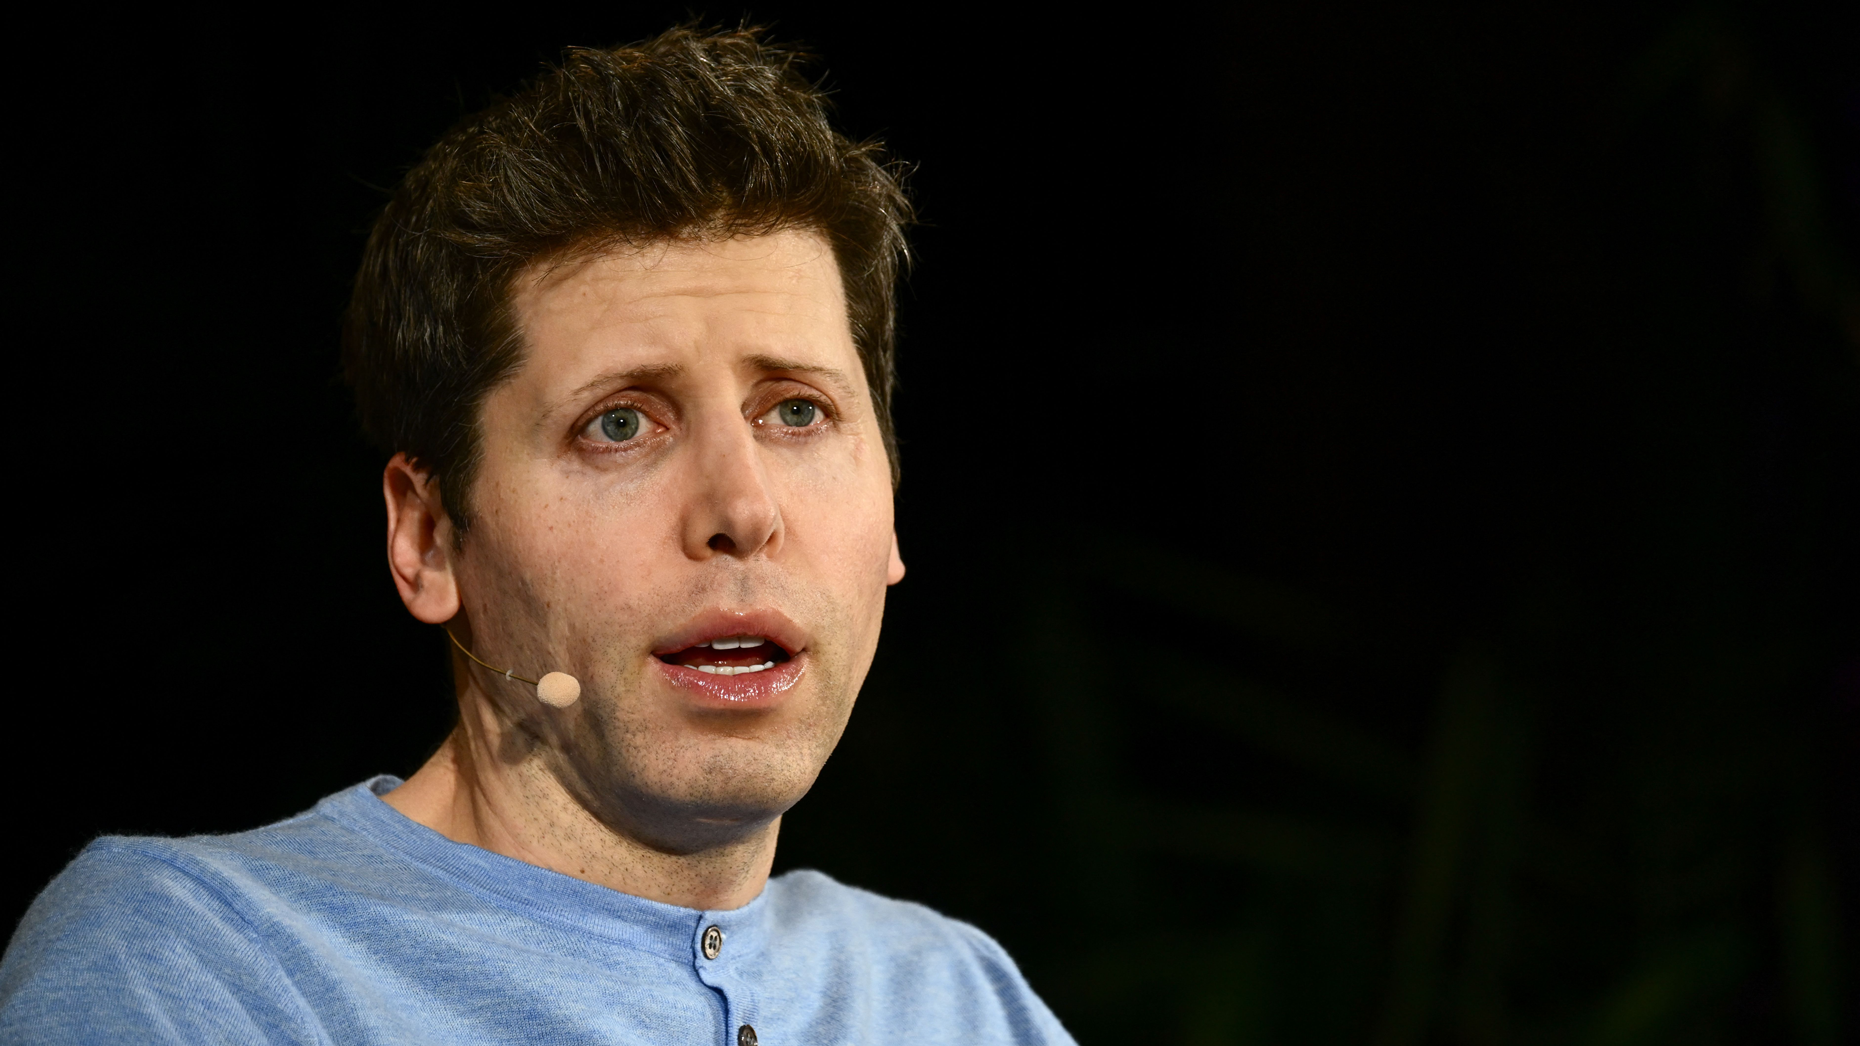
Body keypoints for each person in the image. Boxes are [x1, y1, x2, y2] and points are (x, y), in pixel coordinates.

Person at [0, 26, 1073, 1045]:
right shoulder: (204, 961)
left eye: (797, 410)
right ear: (429, 539)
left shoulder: (951, 992)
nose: (744, 512)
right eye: (620, 425)